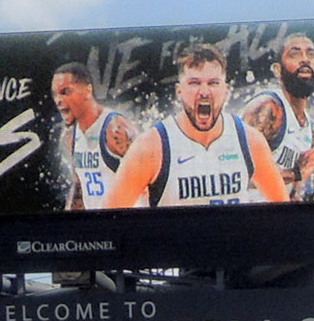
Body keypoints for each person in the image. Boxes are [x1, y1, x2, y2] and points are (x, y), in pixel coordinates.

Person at [103, 44, 285, 208]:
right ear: (179, 92)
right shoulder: (150, 147)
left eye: (213, 83)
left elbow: (285, 212)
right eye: (194, 83)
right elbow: (109, 221)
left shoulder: (249, 140)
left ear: (226, 91)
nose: (204, 92)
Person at [239, 32, 314, 199]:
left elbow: (292, 192)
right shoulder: (268, 108)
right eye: (295, 54)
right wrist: (295, 173)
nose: (305, 59)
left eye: (311, 54)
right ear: (278, 70)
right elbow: (234, 176)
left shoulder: (310, 130)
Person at [51, 63, 137, 210]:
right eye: (55, 94)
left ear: (88, 90)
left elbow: (149, 181)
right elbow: (79, 189)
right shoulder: (71, 137)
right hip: (99, 227)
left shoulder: (116, 129)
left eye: (65, 92)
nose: (58, 100)